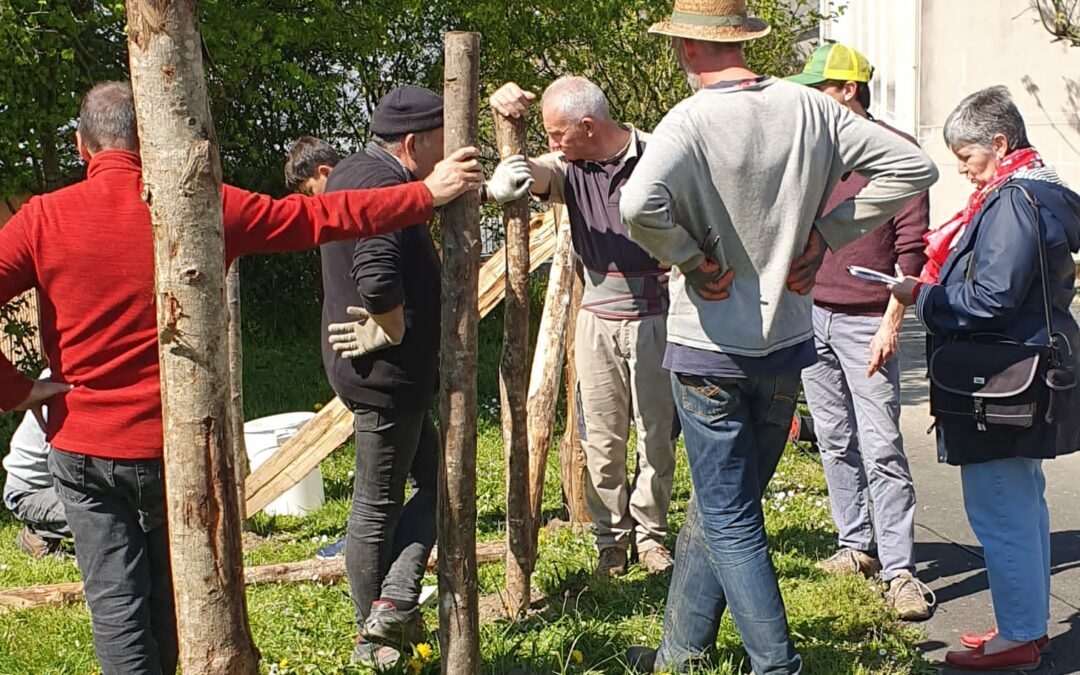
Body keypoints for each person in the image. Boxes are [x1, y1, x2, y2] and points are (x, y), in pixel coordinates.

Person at [0, 81, 481, 675]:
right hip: (175, 451)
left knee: (117, 606)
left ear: (80, 146)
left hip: (83, 448)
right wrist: (424, 195)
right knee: (171, 600)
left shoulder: (42, 218)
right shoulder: (201, 205)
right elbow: (322, 215)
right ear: (152, 139)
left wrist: (16, 390)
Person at [618, 0, 939, 671]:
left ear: (685, 47)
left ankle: (778, 665)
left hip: (709, 346)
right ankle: (681, 653)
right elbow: (914, 170)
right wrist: (826, 234)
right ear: (744, 40)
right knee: (719, 508)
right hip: (786, 344)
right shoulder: (811, 108)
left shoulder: (689, 120)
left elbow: (635, 203)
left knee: (730, 516)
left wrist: (687, 256)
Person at [316, 85, 531, 668]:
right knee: (378, 504)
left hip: (385, 375)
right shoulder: (379, 183)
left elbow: (418, 204)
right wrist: (387, 325)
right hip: (386, 375)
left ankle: (389, 610)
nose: (451, 155)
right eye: (442, 144)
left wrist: (482, 190)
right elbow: (378, 273)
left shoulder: (361, 172)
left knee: (431, 488)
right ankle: (379, 625)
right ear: (412, 144)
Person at [889, 86, 1080, 671]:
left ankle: (1020, 635)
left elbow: (992, 297)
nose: (965, 173)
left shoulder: (1013, 200)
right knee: (1020, 503)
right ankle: (1025, 623)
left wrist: (925, 298)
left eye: (967, 158)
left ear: (999, 144)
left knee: (1001, 507)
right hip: (1024, 373)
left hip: (1002, 377)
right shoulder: (1037, 193)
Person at [489, 75, 679, 577]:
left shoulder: (659, 155)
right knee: (602, 435)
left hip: (658, 311)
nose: (552, 142)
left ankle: (653, 536)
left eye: (557, 133)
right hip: (596, 314)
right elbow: (533, 171)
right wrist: (507, 131)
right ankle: (611, 540)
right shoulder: (567, 168)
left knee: (656, 433)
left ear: (589, 126)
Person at [787, 43, 934, 620]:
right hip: (811, 316)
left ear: (848, 90)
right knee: (833, 438)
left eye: (817, 89)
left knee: (881, 446)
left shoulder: (897, 154)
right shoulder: (816, 155)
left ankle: (899, 570)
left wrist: (891, 324)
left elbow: (912, 251)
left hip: (867, 319)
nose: (809, 101)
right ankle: (856, 547)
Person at [3, 369, 71, 558]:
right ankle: (39, 533)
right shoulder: (62, 383)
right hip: (29, 493)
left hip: (61, 484)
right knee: (105, 514)